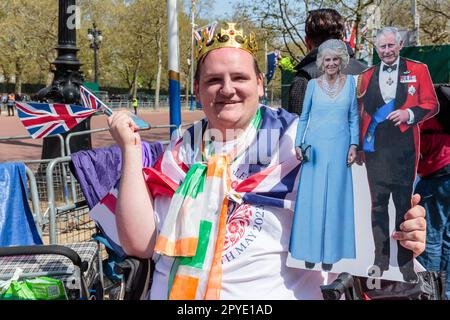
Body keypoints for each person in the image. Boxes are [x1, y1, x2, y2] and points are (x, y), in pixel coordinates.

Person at [108, 22, 427, 300]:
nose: (227, 89)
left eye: (239, 77)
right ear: (197, 89)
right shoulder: (179, 154)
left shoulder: (303, 148)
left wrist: (404, 234)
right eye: (213, 80)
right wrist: (131, 151)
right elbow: (139, 244)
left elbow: (365, 223)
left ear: (260, 85)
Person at [357, 27, 438, 282]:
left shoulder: (418, 70)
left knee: (403, 206)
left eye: (391, 46)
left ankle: (405, 266)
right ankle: (379, 262)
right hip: (375, 150)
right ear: (376, 49)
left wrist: (408, 114)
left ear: (400, 45)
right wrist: (359, 146)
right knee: (377, 206)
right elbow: (361, 114)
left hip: (404, 147)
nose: (387, 51)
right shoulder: (367, 75)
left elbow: (431, 104)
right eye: (382, 47)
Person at [290, 39, 358, 271]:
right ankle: (309, 253)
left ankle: (331, 254)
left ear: (341, 62)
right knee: (313, 201)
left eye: (335, 59)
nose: (330, 63)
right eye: (327, 59)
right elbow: (304, 116)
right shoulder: (312, 85)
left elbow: (353, 117)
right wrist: (298, 143)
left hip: (340, 148)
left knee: (335, 202)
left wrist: (354, 144)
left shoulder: (350, 84)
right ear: (321, 62)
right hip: (315, 150)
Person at [288, 8, 366, 115]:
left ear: (307, 42)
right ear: (342, 39)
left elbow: (297, 128)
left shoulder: (305, 79)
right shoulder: (368, 72)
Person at [415, 84, 450, 299]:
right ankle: (446, 292)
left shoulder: (426, 116)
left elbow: (418, 148)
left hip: (435, 178)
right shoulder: (446, 114)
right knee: (447, 240)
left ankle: (429, 294)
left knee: (430, 240)